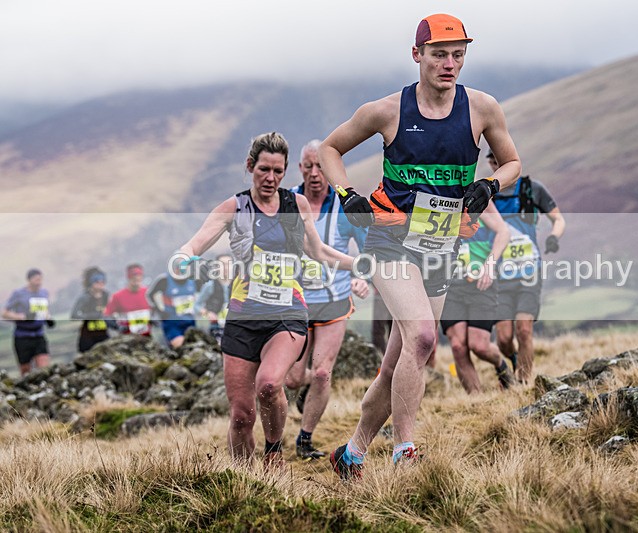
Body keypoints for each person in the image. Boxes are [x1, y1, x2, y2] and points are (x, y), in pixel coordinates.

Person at [320, 13, 521, 479]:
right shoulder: (387, 111)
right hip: (389, 239)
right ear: (417, 55)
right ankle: (405, 450)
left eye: (458, 55)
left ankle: (351, 454)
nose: (449, 64)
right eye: (439, 55)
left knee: (401, 361)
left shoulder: (482, 108)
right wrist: (347, 194)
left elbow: (512, 162)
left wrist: (489, 185)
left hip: (440, 244)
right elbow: (331, 149)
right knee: (425, 337)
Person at [177, 132, 354, 469]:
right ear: (250, 166)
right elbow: (198, 241)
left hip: (288, 313)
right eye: (264, 170)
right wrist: (183, 256)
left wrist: (358, 264)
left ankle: (273, 452)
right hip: (243, 317)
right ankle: (244, 481)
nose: (271, 178)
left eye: (278, 171)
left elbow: (318, 251)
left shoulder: (296, 205)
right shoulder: (235, 207)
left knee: (270, 384)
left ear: (286, 171)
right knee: (241, 415)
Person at [282, 139, 369, 461]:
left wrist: (363, 278)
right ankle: (305, 386)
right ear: (300, 168)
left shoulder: (344, 205)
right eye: (309, 166)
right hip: (296, 301)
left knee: (322, 373)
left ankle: (304, 440)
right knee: (292, 379)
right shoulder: (287, 201)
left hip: (335, 299)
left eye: (321, 166)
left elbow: (368, 248)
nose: (315, 173)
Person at [489, 150, 566, 383]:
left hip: (529, 273)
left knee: (524, 330)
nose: (496, 165)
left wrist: (553, 237)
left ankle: (523, 384)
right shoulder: (487, 193)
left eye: (499, 160)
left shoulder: (532, 189)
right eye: (492, 161)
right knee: (503, 339)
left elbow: (558, 219)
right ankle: (514, 360)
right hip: (499, 277)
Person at [440, 200, 514, 393]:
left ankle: (501, 364)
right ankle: (477, 400)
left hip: (481, 282)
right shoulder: (433, 194)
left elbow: (504, 232)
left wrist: (490, 264)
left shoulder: (476, 196)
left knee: (479, 346)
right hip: (448, 284)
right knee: (458, 346)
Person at [2, 268, 53, 375]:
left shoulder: (44, 293)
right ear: (29, 280)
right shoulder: (19, 294)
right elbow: (4, 313)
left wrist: (48, 317)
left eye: (40, 279)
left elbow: (44, 310)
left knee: (44, 368)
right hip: (23, 336)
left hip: (39, 335)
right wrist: (19, 316)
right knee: (25, 371)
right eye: (36, 279)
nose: (39, 282)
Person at [147, 265, 202, 349]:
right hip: (172, 322)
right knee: (180, 345)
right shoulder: (164, 280)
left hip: (189, 321)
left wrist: (201, 309)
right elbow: (150, 295)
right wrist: (160, 311)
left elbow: (206, 294)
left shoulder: (194, 281)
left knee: (193, 347)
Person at [194, 253, 234, 345]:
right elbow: (197, 306)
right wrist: (208, 313)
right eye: (222, 264)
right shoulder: (210, 285)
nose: (226, 267)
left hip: (233, 326)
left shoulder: (238, 285)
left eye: (228, 264)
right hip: (215, 327)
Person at [104, 263, 152, 337]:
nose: (137, 279)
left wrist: (154, 320)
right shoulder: (118, 296)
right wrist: (117, 326)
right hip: (127, 338)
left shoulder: (148, 293)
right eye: (134, 277)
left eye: (139, 276)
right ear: (128, 277)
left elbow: (157, 312)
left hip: (146, 337)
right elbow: (107, 316)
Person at [70, 267, 111, 353]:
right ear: (91, 283)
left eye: (102, 282)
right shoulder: (85, 297)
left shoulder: (106, 295)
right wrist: (92, 315)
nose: (100, 284)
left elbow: (109, 313)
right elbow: (74, 315)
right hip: (88, 335)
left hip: (102, 332)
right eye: (97, 282)